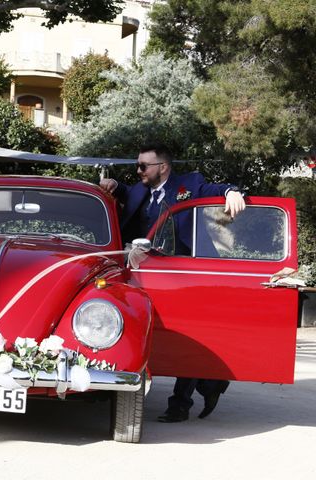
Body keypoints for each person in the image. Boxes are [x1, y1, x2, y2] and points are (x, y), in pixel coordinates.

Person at [100, 143, 245, 423]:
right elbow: (126, 194)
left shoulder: (188, 184)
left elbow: (212, 190)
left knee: (187, 335)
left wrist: (232, 191)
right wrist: (114, 184)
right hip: (143, 275)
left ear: (162, 167)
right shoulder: (139, 189)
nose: (138, 171)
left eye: (144, 166)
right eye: (137, 165)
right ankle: (209, 383)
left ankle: (180, 404)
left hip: (184, 276)